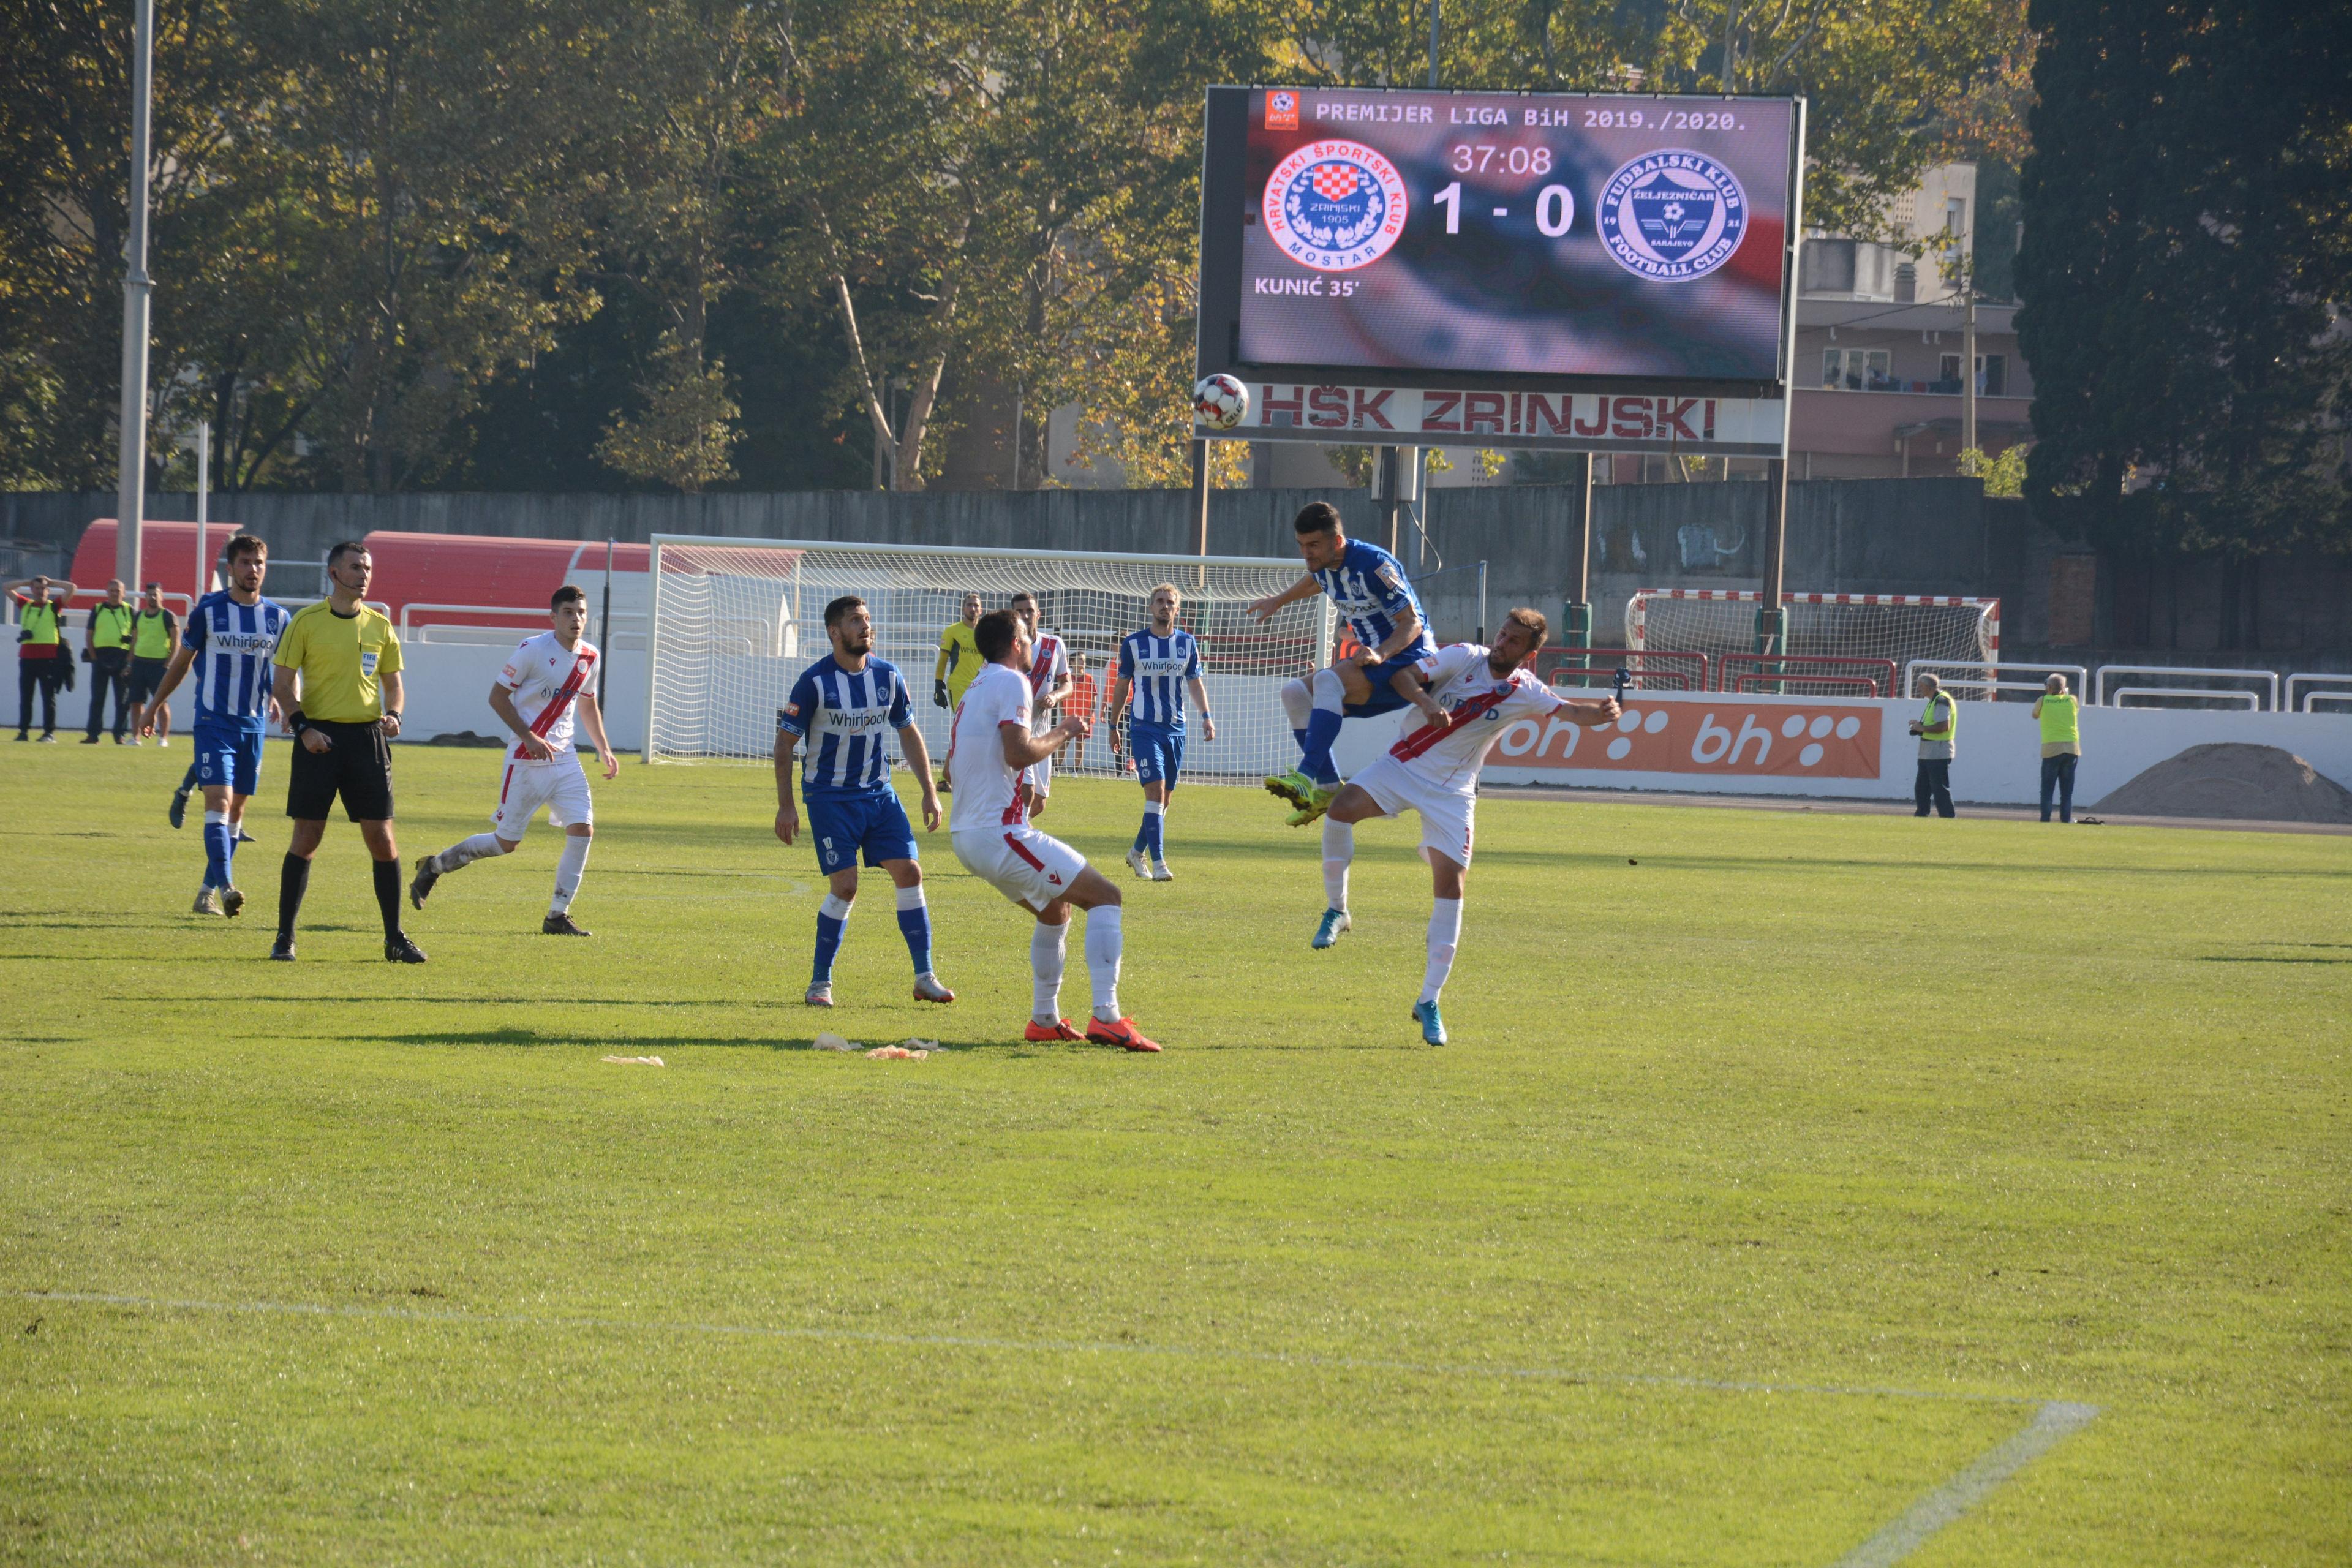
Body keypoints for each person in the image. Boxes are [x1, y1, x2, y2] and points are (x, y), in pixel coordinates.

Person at [1313, 609, 1619, 1046]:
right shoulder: (1463, 656)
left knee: (1452, 889)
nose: (1502, 643)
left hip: (1453, 794)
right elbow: (1404, 679)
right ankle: (1337, 909)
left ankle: (1429, 1000)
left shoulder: (1526, 690)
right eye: (1502, 633)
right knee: (1340, 810)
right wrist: (1427, 704)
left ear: (1529, 654)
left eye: (1514, 642)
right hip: (1403, 765)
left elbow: (1570, 712)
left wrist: (1603, 712)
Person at [945, 608, 1160, 1051]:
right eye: (1026, 636)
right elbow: (1019, 753)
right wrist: (1065, 729)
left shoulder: (976, 687)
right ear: (1014, 644)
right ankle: (1107, 1017)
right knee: (1106, 896)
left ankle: (1044, 1019)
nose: (1032, 643)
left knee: (1056, 910)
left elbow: (952, 765)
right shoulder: (1011, 681)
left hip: (967, 835)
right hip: (997, 832)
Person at [771, 594, 953, 1007]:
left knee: (910, 873)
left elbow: (908, 732)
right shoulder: (814, 683)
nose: (866, 626)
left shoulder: (888, 677)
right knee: (847, 886)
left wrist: (928, 791)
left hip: (879, 795)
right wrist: (787, 805)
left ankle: (924, 976)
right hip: (829, 799)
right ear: (835, 633)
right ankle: (820, 984)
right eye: (856, 620)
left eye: (867, 619)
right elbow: (784, 747)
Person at [408, 585, 618, 935]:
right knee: (506, 844)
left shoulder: (590, 657)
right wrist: (529, 737)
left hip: (565, 760)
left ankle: (557, 915)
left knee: (582, 829)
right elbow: (497, 696)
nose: (576, 619)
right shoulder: (532, 650)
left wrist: (604, 748)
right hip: (525, 759)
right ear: (553, 617)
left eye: (581, 612)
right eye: (568, 612)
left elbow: (586, 703)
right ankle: (434, 866)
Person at [268, 540, 424, 962]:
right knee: (307, 837)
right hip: (318, 741)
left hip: (367, 741)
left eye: (368, 567)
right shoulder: (306, 622)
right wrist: (303, 729)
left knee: (383, 840)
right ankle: (285, 937)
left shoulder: (379, 626)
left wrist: (394, 715)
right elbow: (282, 685)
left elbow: (394, 685)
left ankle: (395, 938)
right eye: (356, 567)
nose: (364, 574)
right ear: (334, 573)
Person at [1246, 502, 1436, 825]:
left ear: (1337, 541)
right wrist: (1279, 600)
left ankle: (1306, 777)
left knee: (1326, 681)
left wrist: (1380, 654)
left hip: (1409, 659)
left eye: (1314, 545)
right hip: (1376, 663)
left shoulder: (1375, 564)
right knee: (1294, 693)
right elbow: (1314, 581)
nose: (1307, 553)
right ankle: (1329, 787)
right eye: (1302, 546)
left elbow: (1412, 624)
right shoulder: (1323, 566)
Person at [141, 535, 290, 916]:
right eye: (245, 562)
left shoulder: (278, 618)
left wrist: (287, 704)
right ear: (231, 568)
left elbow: (284, 670)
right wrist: (154, 705)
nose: (252, 569)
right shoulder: (208, 612)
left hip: (254, 726)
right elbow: (181, 663)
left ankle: (206, 891)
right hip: (213, 721)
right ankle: (227, 887)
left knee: (237, 812)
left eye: (258, 562)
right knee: (219, 804)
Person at [1105, 582, 1216, 881]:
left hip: (1176, 730)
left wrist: (1206, 716)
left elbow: (1194, 682)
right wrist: (1113, 725)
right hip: (1143, 727)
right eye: (1159, 601)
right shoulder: (1133, 644)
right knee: (1154, 794)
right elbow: (1122, 685)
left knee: (1164, 801)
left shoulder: (1187, 644)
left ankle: (1136, 852)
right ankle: (1159, 863)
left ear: (1177, 609)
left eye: (1170, 602)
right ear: (1151, 608)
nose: (1165, 606)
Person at [1009, 590, 1070, 818]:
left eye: (1029, 611)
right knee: (1027, 791)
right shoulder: (1005, 647)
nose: (1025, 615)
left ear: (1038, 614)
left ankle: (1006, 828)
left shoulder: (1055, 645)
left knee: (1039, 804)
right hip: (1017, 730)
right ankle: (1016, 840)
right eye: (1019, 611)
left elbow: (1068, 684)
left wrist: (1054, 696)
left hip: (1042, 731)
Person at [9, 573, 78, 741]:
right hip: (27, 658)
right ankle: (23, 731)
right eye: (37, 588)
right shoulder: (26, 605)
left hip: (48, 658)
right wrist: (28, 581)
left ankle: (49, 732)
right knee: (26, 697)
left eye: (44, 589)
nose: (40, 591)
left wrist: (51, 581)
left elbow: (72, 588)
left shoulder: (54, 606)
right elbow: (6, 587)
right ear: (32, 590)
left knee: (48, 697)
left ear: (48, 591)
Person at [125, 584, 179, 750]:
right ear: (145, 597)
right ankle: (136, 738)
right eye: (149, 595)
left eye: (155, 594)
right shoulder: (139, 616)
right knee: (136, 702)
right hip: (139, 664)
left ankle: (163, 738)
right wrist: (129, 663)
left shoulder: (168, 616)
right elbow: (134, 641)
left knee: (162, 702)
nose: (152, 598)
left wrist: (168, 664)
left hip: (159, 665)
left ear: (161, 596)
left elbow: (176, 642)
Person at [81, 579, 136, 744]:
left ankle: (119, 735)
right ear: (107, 592)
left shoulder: (130, 611)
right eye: (111, 590)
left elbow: (136, 637)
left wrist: (129, 661)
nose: (114, 594)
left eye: (118, 591)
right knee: (97, 698)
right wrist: (94, 657)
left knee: (122, 700)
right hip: (100, 657)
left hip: (122, 657)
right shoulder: (98, 609)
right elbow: (90, 634)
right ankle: (93, 734)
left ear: (124, 593)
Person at [2032, 673, 2083, 823]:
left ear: (2049, 687)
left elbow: (2035, 715)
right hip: (2071, 748)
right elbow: (2076, 709)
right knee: (2067, 791)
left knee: (2047, 790)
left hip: (2051, 749)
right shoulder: (2072, 700)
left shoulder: (2042, 701)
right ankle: (2066, 819)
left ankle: (2045, 819)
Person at [1909, 673, 1958, 818]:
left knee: (1939, 789)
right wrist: (1920, 725)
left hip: (1937, 750)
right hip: (1929, 751)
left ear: (1927, 687)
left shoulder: (1941, 701)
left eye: (1920, 686)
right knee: (1922, 788)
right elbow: (1937, 724)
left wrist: (1921, 728)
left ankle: (1948, 818)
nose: (1919, 689)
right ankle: (1921, 816)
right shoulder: (1937, 699)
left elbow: (1944, 726)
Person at [1064, 653, 1099, 770]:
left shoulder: (1089, 679)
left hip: (1084, 717)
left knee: (1080, 742)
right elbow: (1062, 699)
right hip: (1070, 716)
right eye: (1080, 659)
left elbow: (1094, 700)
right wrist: (1063, 714)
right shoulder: (1068, 679)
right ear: (1072, 662)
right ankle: (1057, 766)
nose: (1083, 662)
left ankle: (1076, 770)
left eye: (1084, 660)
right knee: (1064, 741)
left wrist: (1088, 717)